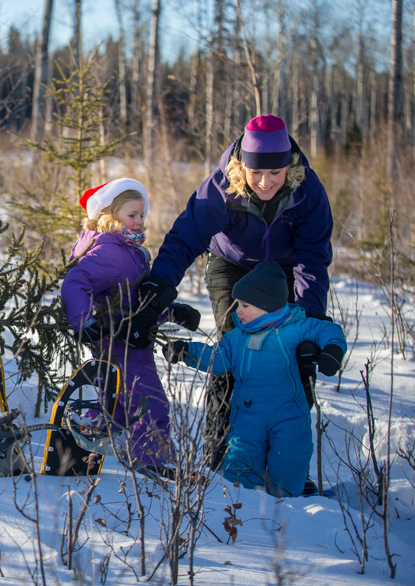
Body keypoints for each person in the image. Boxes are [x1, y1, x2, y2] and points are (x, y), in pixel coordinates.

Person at [122, 114, 334, 477]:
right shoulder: (222, 187)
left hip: (285, 271)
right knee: (235, 350)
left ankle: (285, 463)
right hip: (232, 267)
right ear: (242, 167)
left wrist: (311, 319)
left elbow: (313, 259)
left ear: (289, 167)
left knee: (293, 355)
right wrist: (157, 288)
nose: (265, 183)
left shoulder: (307, 190)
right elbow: (186, 237)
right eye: (256, 174)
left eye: (275, 173)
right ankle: (220, 455)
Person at [162, 261, 346, 497]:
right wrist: (186, 352)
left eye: (245, 304)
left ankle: (289, 506)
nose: (237, 309)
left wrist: (333, 351)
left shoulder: (295, 326)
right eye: (237, 303)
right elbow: (217, 358)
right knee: (239, 463)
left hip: (288, 413)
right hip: (248, 416)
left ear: (267, 306)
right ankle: (239, 505)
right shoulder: (237, 337)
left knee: (290, 456)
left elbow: (328, 330)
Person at [61, 179, 200, 475]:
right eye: (131, 215)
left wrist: (173, 313)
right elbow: (75, 282)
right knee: (149, 401)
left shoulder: (126, 249)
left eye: (141, 215)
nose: (138, 222)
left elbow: (137, 298)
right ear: (110, 216)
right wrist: (84, 320)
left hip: (129, 338)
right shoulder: (109, 252)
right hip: (121, 341)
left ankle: (89, 431)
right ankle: (153, 459)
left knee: (118, 399)